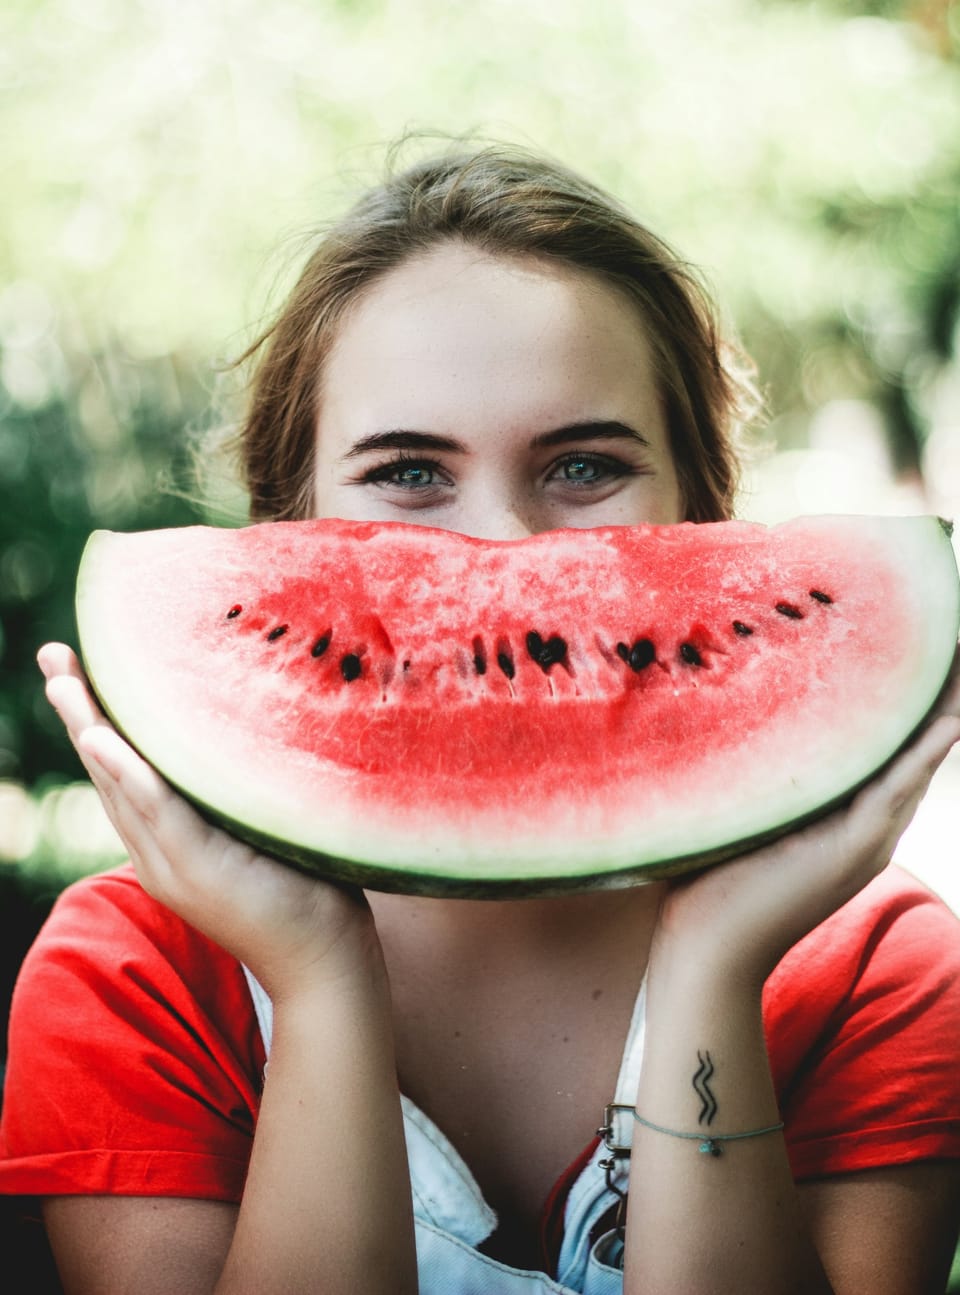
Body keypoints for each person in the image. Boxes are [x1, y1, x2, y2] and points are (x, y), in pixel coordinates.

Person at [2, 143, 960, 1295]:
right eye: (408, 471)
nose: (500, 553)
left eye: (585, 465)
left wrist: (712, 960)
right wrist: (317, 978)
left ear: (703, 517)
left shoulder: (874, 966)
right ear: (284, 528)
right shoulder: (136, 974)